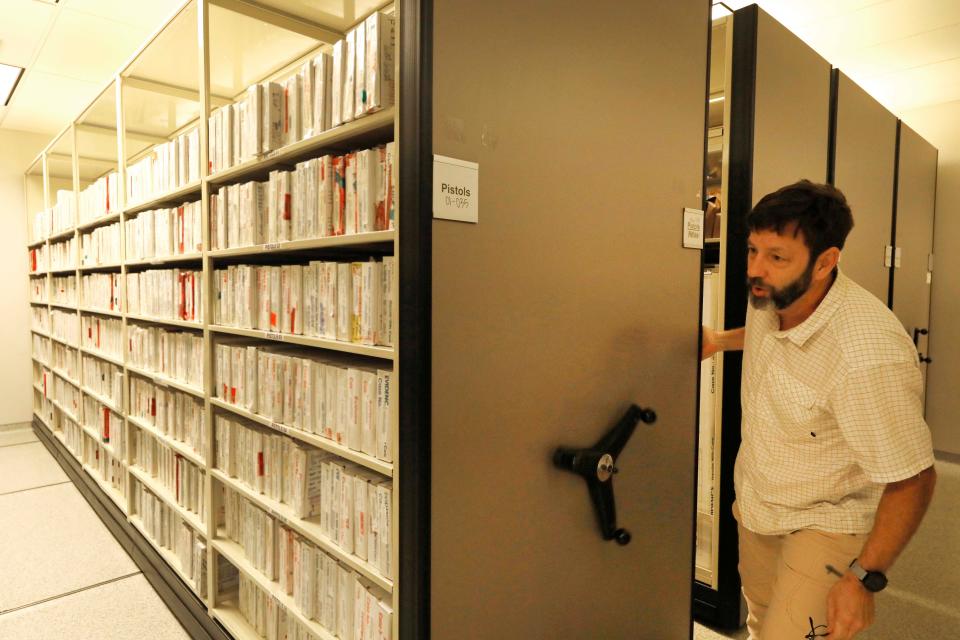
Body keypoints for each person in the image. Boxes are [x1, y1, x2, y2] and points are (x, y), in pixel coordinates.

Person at [701, 180, 937, 640]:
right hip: (759, 505)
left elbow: (914, 477)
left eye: (776, 257)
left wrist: (866, 578)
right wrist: (719, 341)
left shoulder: (867, 355)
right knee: (759, 623)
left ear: (826, 261)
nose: (755, 269)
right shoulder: (775, 296)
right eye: (753, 250)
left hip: (826, 520)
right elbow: (777, 342)